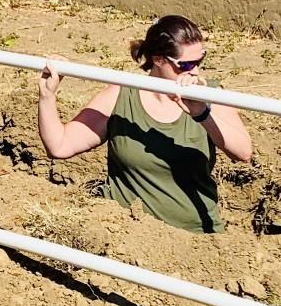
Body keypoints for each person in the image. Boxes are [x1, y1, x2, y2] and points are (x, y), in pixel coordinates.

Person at [37, 14, 252, 233]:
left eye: (200, 61)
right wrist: (47, 95)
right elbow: (60, 145)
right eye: (186, 64)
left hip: (194, 238)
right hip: (127, 234)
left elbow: (243, 152)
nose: (195, 71)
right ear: (158, 60)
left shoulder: (210, 95)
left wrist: (201, 113)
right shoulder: (121, 94)